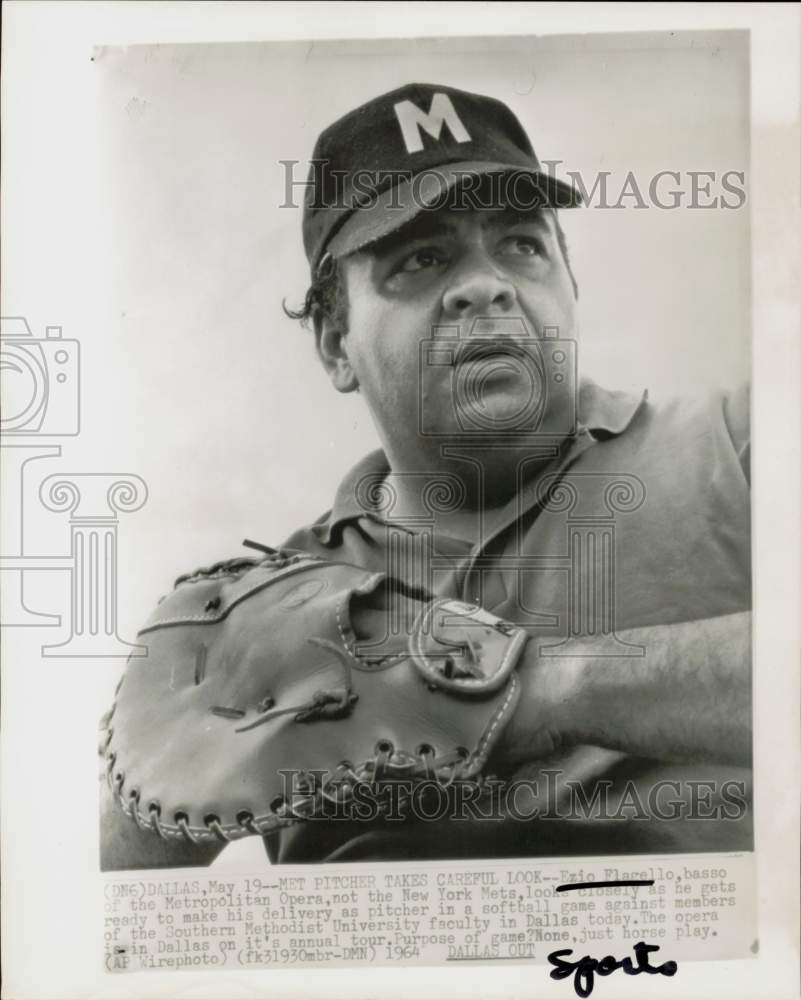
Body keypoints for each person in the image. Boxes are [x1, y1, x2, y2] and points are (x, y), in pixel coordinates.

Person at [100, 83, 751, 870]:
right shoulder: (273, 613)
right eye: (422, 257)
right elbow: (103, 921)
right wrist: (156, 780)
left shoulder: (741, 442)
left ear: (568, 289)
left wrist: (525, 685)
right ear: (335, 343)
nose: (487, 284)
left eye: (520, 243)